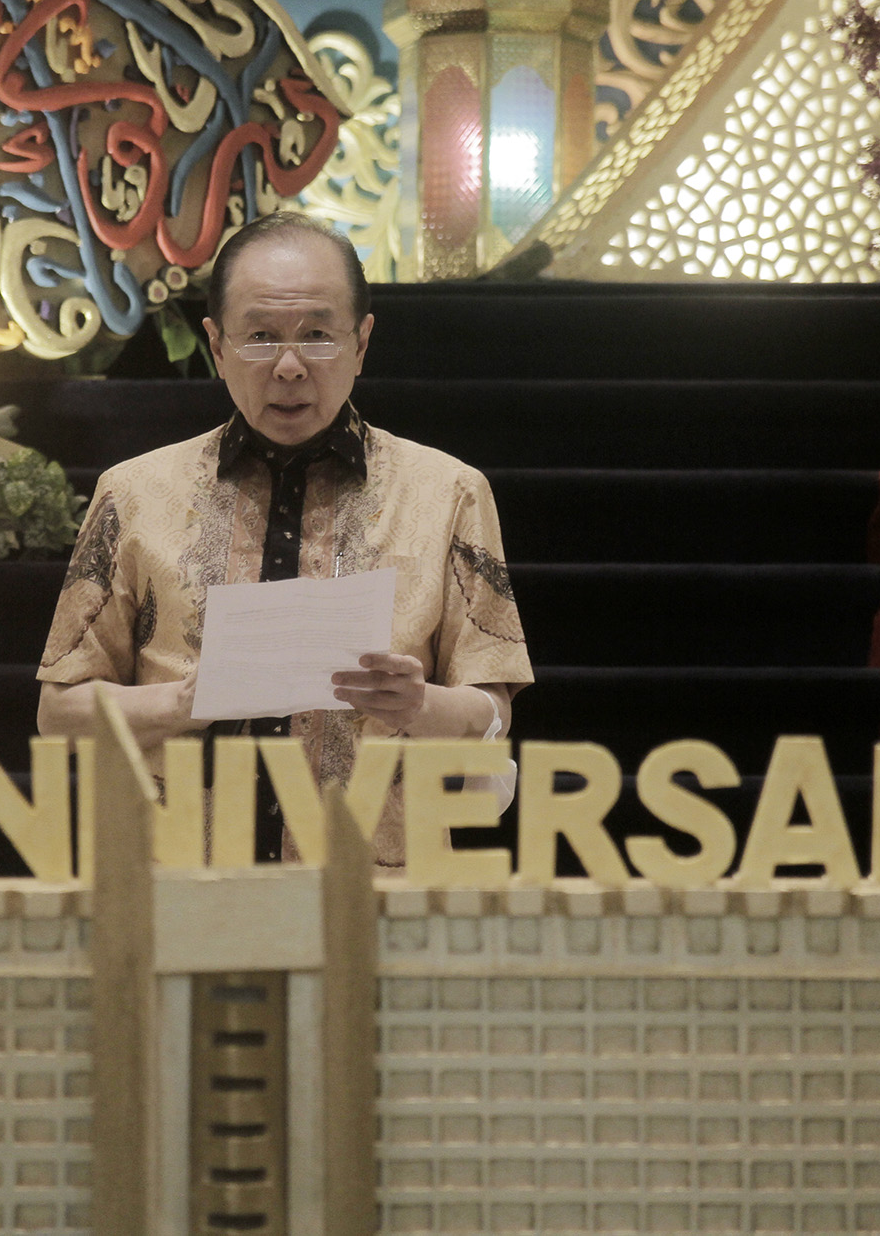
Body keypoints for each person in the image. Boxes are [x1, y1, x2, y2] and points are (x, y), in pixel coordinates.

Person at [35, 211, 532, 867]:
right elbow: (59, 712)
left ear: (361, 342)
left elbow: (491, 708)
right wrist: (181, 701)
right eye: (261, 336)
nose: (290, 366)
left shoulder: (448, 493)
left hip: (375, 887)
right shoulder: (132, 493)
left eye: (318, 335)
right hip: (178, 885)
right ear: (216, 344)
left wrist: (420, 703)